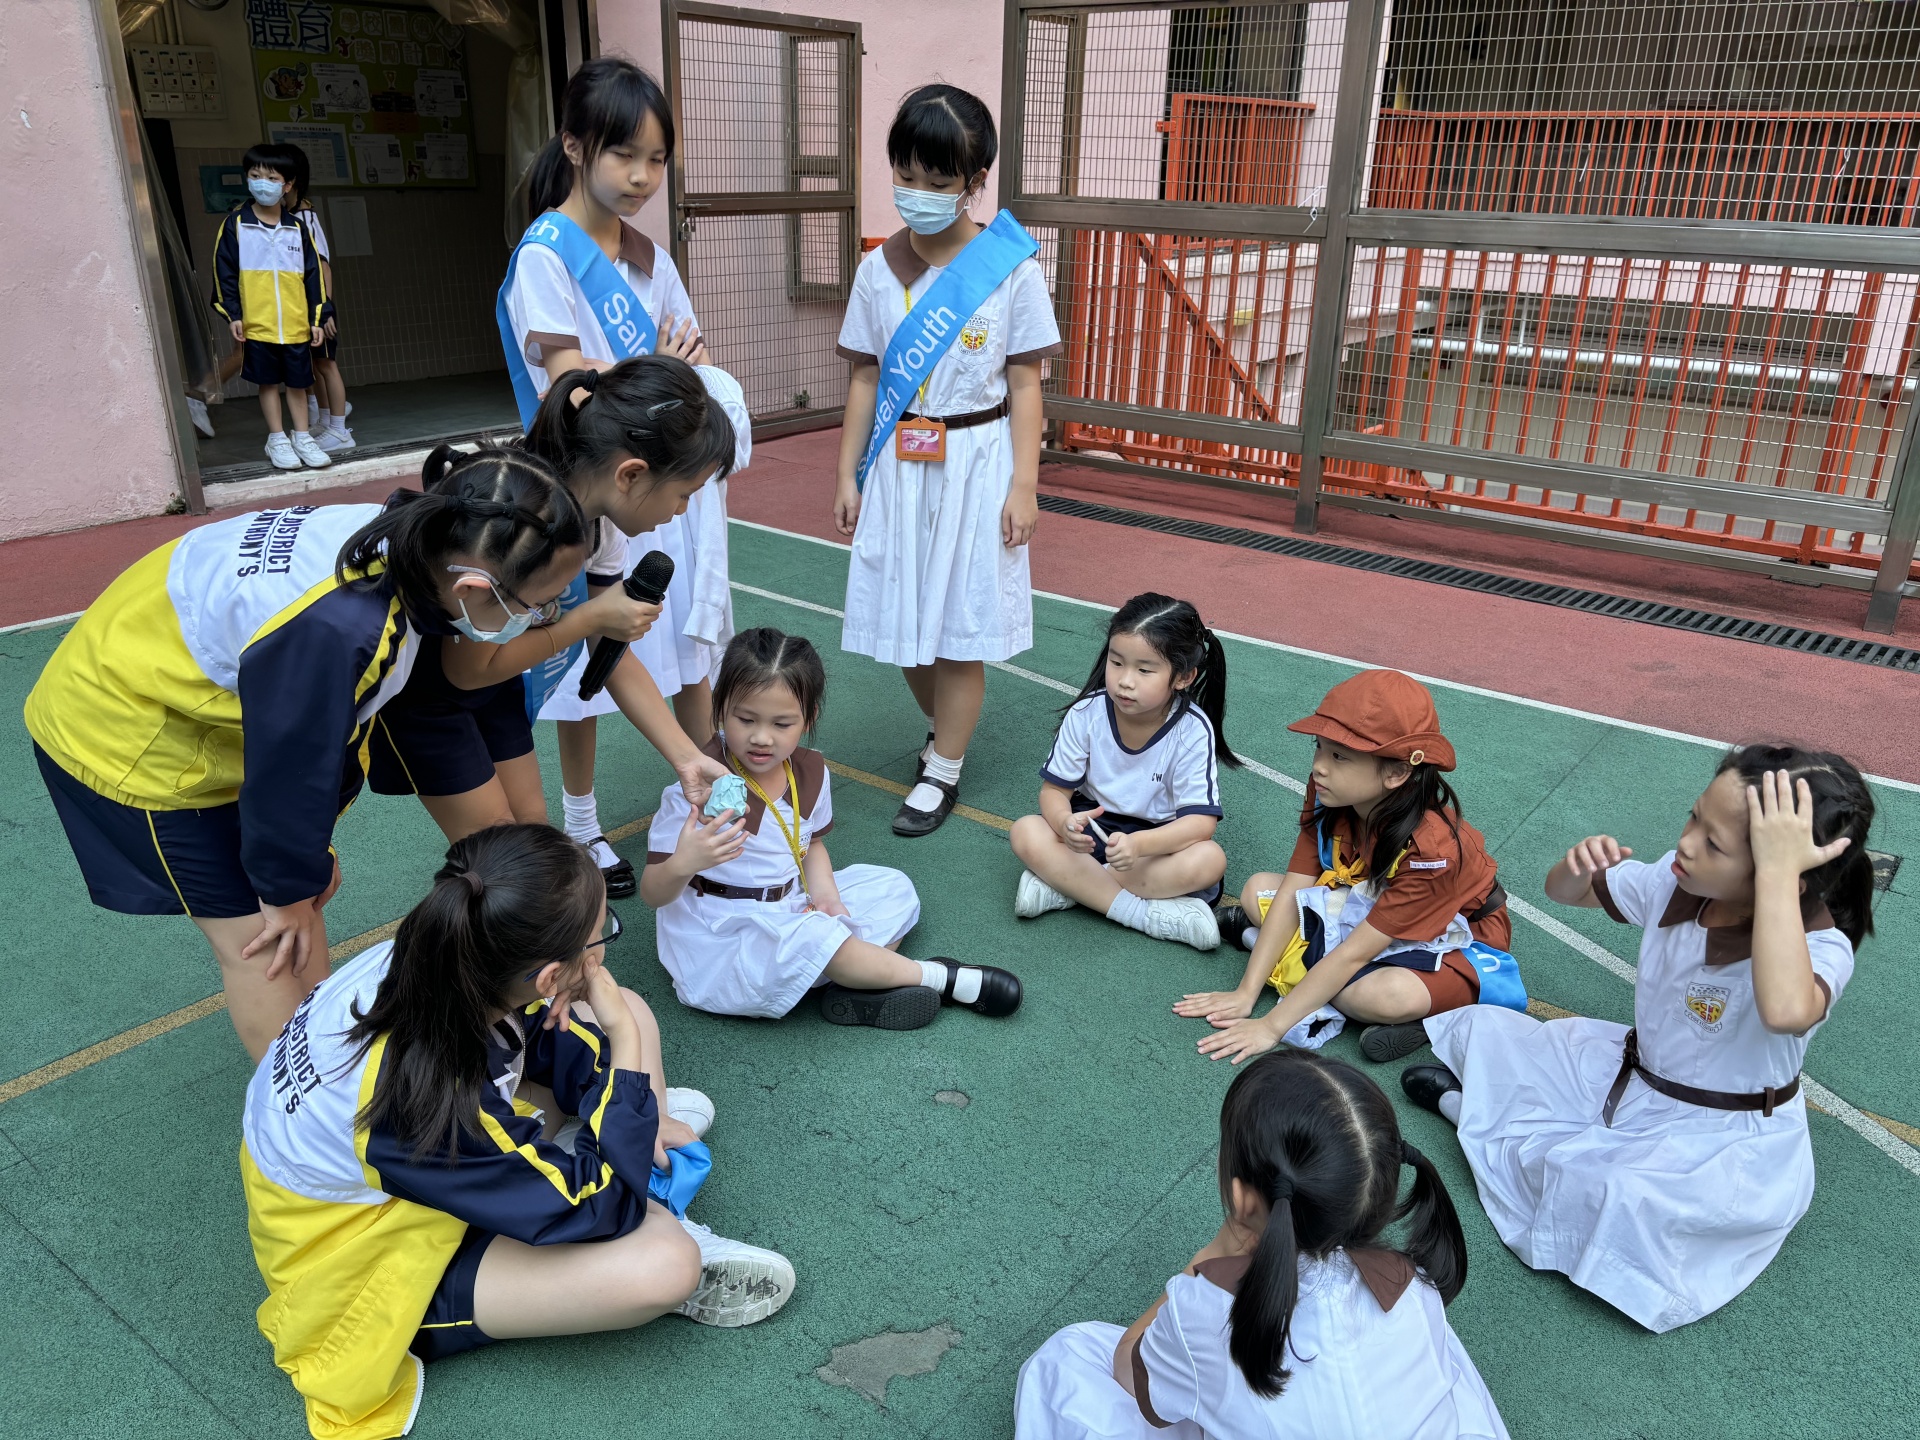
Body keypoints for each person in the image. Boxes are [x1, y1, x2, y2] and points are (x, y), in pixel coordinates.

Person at [241, 824, 795, 1440]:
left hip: (414, 1165)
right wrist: (626, 1080)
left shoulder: (455, 945)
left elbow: (535, 1036)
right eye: (602, 934)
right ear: (549, 976)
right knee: (663, 1264)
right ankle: (645, 1201)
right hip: (362, 1263)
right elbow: (604, 1207)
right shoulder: (430, 1095)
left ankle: (604, 1148)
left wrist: (625, 1095)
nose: (604, 948)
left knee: (628, 1012)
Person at [23, 461, 590, 1060]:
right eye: (538, 605)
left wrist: (299, 874)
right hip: (129, 737)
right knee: (262, 940)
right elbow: (292, 769)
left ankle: (324, 1054)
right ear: (473, 588)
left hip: (169, 678)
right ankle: (296, 1104)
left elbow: (307, 746)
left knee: (296, 905)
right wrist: (287, 883)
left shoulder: (409, 537)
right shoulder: (344, 630)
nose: (542, 617)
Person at [1402, 744, 1874, 1333]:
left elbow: (1785, 1010)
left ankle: (1461, 1107)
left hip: (1716, 1138)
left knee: (1612, 1189)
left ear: (1784, 878)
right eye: (1694, 816)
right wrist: (1577, 869)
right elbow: (1562, 892)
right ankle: (1481, 1108)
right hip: (1635, 1074)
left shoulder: (1820, 947)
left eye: (1714, 843)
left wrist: (1779, 873)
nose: (1687, 842)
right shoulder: (1678, 884)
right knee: (1492, 1031)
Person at [497, 56, 734, 892]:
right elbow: (570, 379)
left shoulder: (649, 256)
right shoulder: (545, 255)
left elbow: (687, 359)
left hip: (656, 477)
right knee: (572, 662)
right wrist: (656, 367)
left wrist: (668, 373)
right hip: (590, 478)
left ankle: (700, 783)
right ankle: (579, 822)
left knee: (667, 633)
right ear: (573, 146)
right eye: (624, 154)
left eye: (657, 159)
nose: (641, 176)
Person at [1014, 1049, 1508, 1439]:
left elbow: (1126, 1369)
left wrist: (1216, 1252)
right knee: (1446, 1356)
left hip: (1217, 1312)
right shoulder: (1413, 1284)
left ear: (1242, 1199)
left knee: (1069, 1356)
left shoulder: (1204, 1308)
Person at [833, 84, 1062, 837]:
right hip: (899, 463)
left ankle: (943, 769)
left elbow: (1025, 383)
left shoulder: (1008, 268)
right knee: (903, 621)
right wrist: (846, 473)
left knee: (960, 625)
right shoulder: (877, 271)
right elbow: (865, 376)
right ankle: (944, 735)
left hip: (978, 462)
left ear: (974, 181)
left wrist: (1025, 485)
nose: (919, 192)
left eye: (938, 180)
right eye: (907, 175)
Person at [640, 627, 1022, 1029]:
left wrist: (828, 899)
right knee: (816, 940)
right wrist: (685, 862)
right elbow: (653, 894)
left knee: (894, 888)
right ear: (720, 709)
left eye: (782, 723)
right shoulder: (696, 790)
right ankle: (940, 978)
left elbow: (812, 846)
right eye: (745, 719)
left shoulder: (809, 771)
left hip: (791, 908)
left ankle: (853, 978)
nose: (761, 737)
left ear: (808, 719)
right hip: (722, 936)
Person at [1182, 670, 1511, 1066]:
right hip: (1370, 905)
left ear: (1397, 772)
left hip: (1458, 935)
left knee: (1380, 997)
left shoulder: (1432, 852)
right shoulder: (1329, 790)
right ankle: (1300, 965)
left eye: (1339, 756)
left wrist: (1271, 1026)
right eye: (1319, 747)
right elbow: (1295, 888)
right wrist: (1245, 993)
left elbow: (1354, 954)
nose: (1320, 767)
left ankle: (1423, 1016)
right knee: (1256, 891)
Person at [1009, 594, 1235, 951]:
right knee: (1026, 831)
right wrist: (1064, 824)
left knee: (1210, 860)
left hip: (1154, 848)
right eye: (1116, 663)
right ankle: (1142, 914)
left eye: (1144, 670)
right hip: (1091, 833)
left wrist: (1139, 845)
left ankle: (1070, 886)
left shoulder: (1192, 729)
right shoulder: (1087, 713)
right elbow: (1053, 793)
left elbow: (1199, 825)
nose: (1125, 681)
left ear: (1183, 677)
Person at [211, 143, 331, 471]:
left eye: (271, 178)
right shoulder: (237, 224)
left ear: (287, 185)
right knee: (268, 382)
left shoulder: (297, 228)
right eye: (255, 176)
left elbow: (313, 277)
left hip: (295, 323)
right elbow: (224, 273)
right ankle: (277, 438)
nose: (262, 183)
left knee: (298, 382)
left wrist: (317, 318)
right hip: (257, 323)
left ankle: (302, 437)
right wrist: (233, 314)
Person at [275, 142, 355, 453]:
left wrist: (325, 309)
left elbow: (323, 266)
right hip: (301, 308)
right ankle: (325, 422)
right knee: (316, 366)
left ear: (291, 180)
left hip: (316, 308)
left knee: (327, 365)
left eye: (275, 175)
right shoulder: (288, 215)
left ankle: (339, 430)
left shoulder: (305, 216)